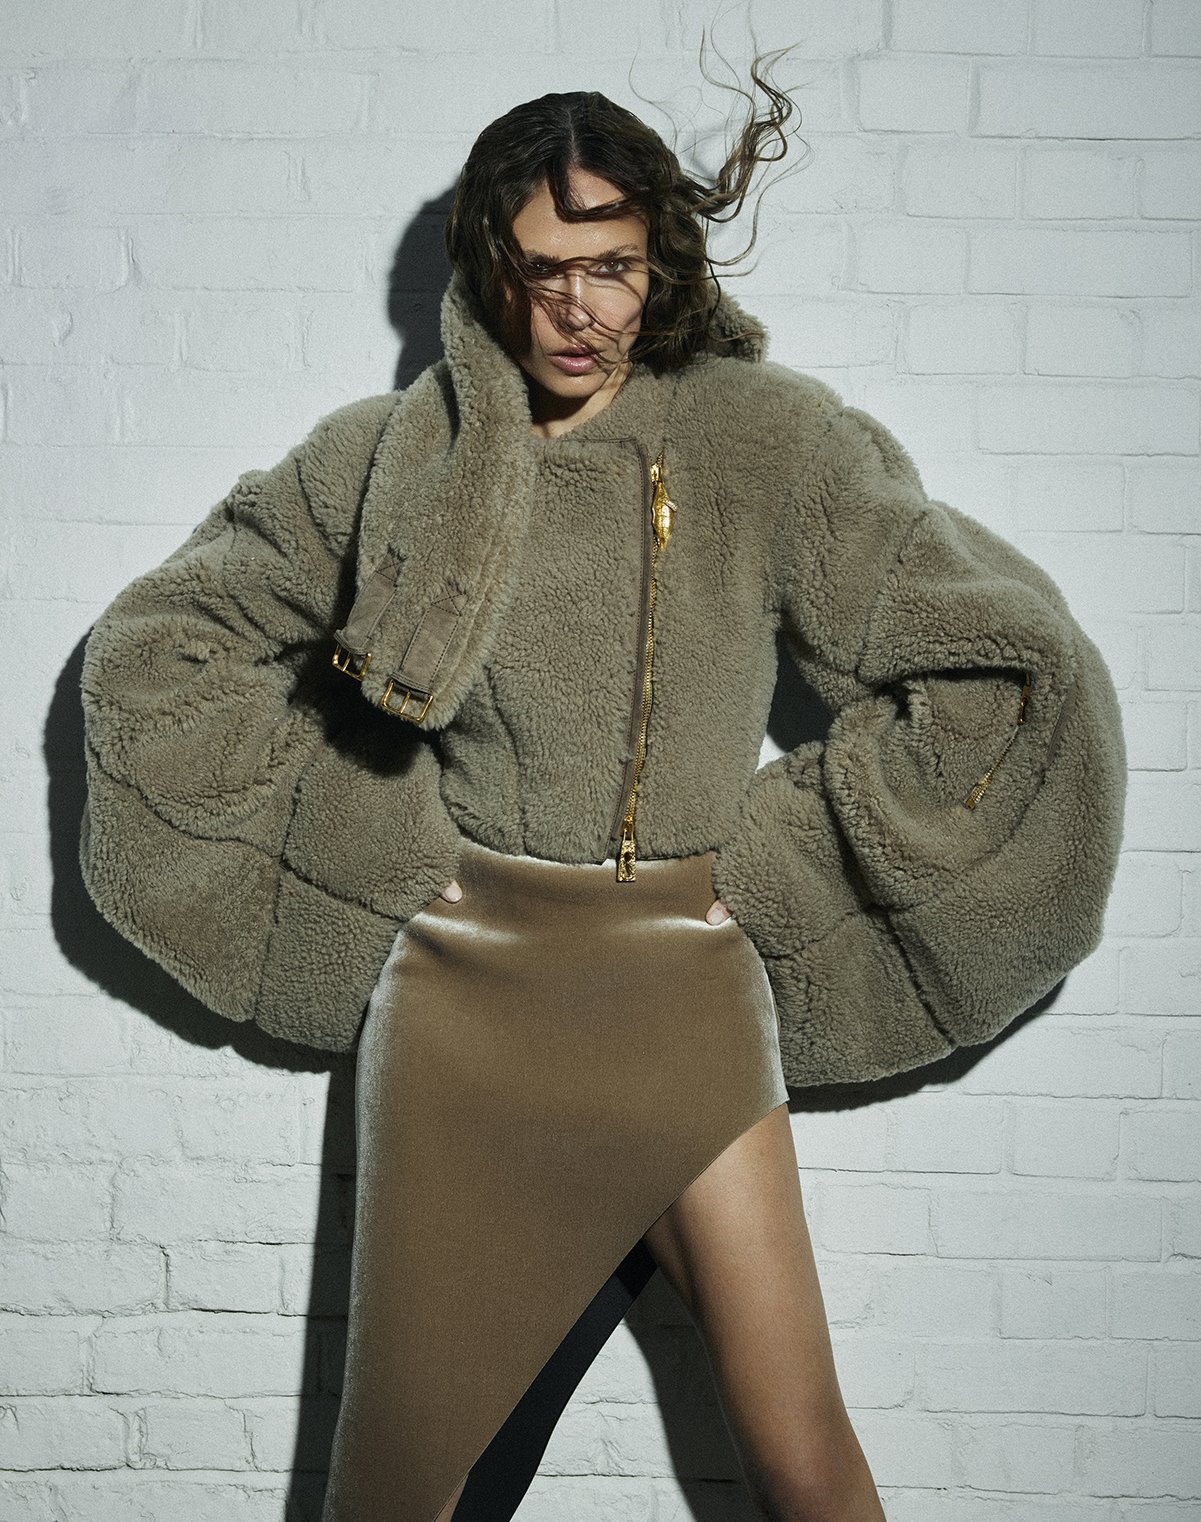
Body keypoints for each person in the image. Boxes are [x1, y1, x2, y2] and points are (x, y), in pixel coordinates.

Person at [77, 58, 1127, 1522]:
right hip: (461, 1009)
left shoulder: (768, 441)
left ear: (660, 260)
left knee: (804, 1465)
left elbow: (1000, 663)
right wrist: (382, 843)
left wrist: (759, 862)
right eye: (545, 269)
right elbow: (161, 653)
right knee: (409, 1494)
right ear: (489, 267)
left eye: (614, 265)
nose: (581, 310)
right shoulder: (393, 456)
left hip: (686, 992)